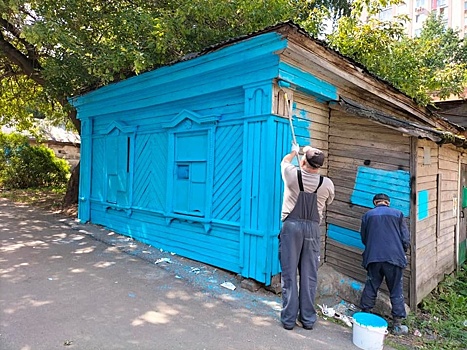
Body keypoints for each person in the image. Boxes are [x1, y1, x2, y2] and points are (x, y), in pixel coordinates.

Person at [278, 143, 335, 330]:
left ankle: (288, 320)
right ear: (320, 166)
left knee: (289, 275)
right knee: (309, 275)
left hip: (291, 228)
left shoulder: (292, 174)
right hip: (312, 229)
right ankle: (308, 320)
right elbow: (328, 200)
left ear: (303, 161)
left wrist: (295, 150)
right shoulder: (327, 184)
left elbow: (284, 161)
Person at [359, 193, 410, 334]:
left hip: (373, 258)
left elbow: (364, 238)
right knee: (395, 290)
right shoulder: (398, 214)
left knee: (371, 285)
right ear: (387, 202)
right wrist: (401, 250)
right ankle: (397, 325)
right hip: (394, 258)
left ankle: (364, 316)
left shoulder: (367, 215)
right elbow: (405, 238)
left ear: (375, 203)